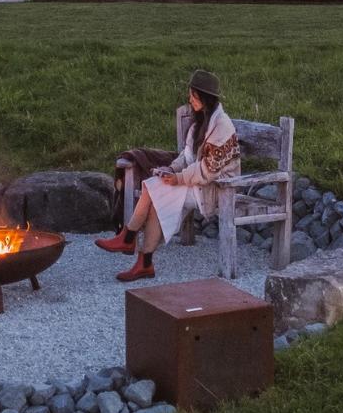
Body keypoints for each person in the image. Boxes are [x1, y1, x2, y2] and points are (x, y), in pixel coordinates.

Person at [96, 70, 241, 281]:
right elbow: (187, 156)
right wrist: (172, 170)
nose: (189, 99)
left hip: (217, 189)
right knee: (155, 188)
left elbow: (208, 170)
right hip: (197, 183)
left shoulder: (222, 127)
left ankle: (129, 239)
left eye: (193, 96)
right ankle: (142, 260)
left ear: (205, 98)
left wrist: (178, 179)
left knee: (155, 189)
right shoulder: (199, 122)